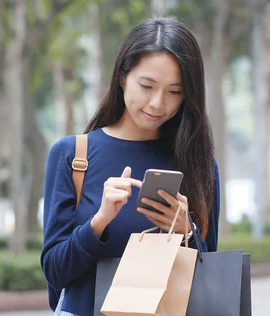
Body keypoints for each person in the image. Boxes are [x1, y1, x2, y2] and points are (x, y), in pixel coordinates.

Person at [40, 16, 220, 316]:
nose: (157, 104)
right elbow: (55, 276)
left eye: (175, 92)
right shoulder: (73, 156)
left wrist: (187, 233)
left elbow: (209, 277)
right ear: (122, 76)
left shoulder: (198, 163)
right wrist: (98, 222)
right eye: (147, 86)